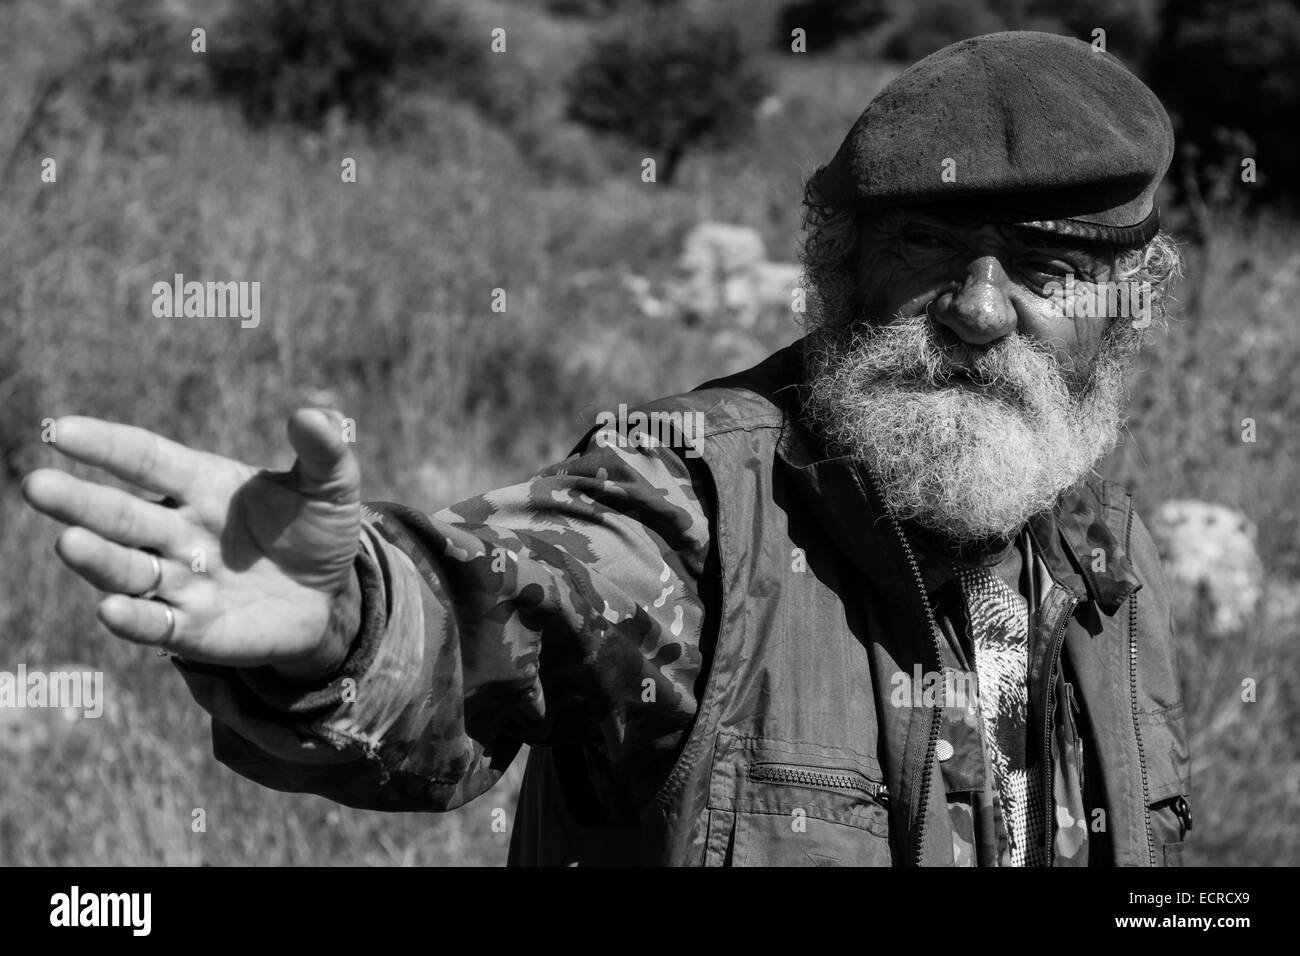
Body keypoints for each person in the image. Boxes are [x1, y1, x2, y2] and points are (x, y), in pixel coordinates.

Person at [22, 31, 1191, 866]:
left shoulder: (1107, 555)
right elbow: (518, 596)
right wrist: (352, 621)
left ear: (1124, 310)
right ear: (842, 276)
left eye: (1044, 270)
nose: (979, 311)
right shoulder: (699, 497)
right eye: (928, 247)